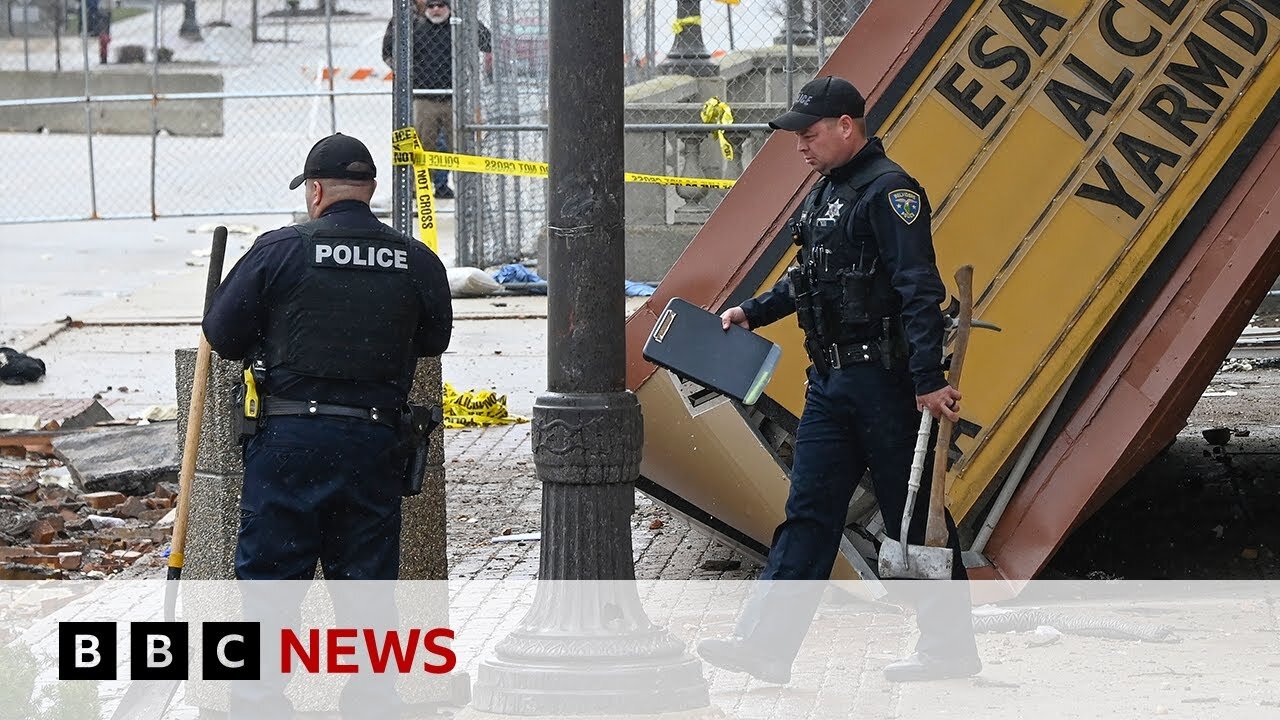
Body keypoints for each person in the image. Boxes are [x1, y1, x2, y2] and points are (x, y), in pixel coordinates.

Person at [697, 76, 981, 683]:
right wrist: (754, 310)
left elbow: (918, 288)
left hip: (886, 382)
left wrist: (928, 379)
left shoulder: (890, 192)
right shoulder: (826, 191)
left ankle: (950, 648)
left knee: (914, 518)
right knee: (808, 512)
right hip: (830, 382)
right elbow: (811, 277)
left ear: (847, 126)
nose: (801, 144)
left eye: (810, 132)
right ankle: (767, 648)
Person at [203, 133, 451, 717]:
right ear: (369, 193)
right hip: (371, 443)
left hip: (289, 444)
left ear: (315, 191)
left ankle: (260, 703)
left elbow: (222, 336)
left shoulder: (279, 250)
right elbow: (433, 341)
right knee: (366, 586)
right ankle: (371, 703)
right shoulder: (415, 259)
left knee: (270, 583)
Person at [381, 0, 492, 200]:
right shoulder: (413, 26)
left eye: (441, 5)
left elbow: (487, 43)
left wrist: (469, 19)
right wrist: (408, 75)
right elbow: (389, 52)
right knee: (422, 147)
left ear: (449, 7)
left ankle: (468, 193)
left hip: (455, 99)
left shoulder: (459, 26)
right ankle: (417, 193)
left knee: (460, 147)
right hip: (424, 98)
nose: (436, 10)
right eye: (431, 6)